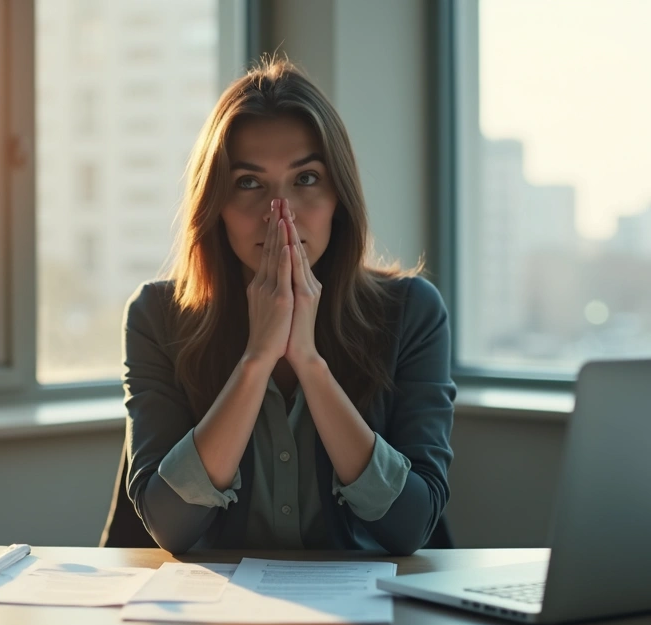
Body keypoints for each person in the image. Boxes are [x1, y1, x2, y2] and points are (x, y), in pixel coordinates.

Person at [122, 57, 455, 555]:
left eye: (305, 179)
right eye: (249, 183)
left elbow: (410, 526)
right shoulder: (156, 316)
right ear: (215, 204)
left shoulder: (411, 311)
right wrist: (256, 361)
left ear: (339, 195)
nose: (280, 213)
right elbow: (170, 524)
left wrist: (309, 363)